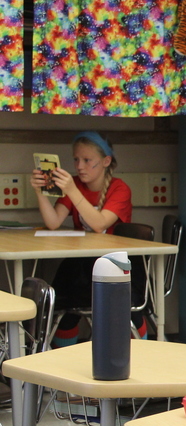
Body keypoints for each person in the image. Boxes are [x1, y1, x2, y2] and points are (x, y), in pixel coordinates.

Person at [29, 131, 144, 345]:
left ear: (105, 162)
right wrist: (40, 192)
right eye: (76, 159)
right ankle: (62, 359)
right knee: (60, 303)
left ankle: (140, 348)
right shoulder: (74, 185)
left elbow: (99, 224)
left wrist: (72, 191)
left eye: (87, 160)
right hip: (83, 262)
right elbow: (54, 222)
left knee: (126, 309)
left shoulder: (119, 189)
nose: (79, 166)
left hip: (118, 264)